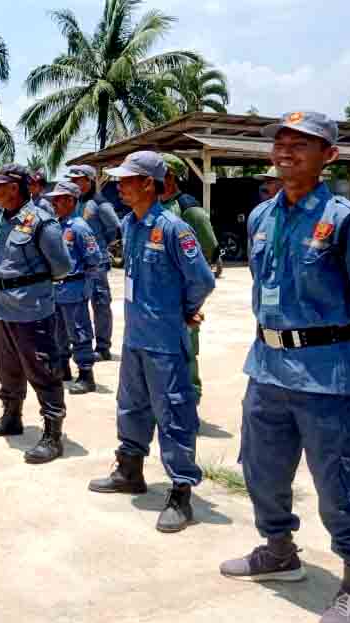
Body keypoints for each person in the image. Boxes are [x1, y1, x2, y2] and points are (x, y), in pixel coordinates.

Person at [217, 111, 350, 623]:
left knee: (340, 481)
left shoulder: (348, 220)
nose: (285, 151)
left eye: (301, 145)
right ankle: (278, 551)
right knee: (261, 467)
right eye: (280, 143)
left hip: (325, 370)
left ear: (328, 157)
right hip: (266, 366)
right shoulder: (262, 217)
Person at [87, 151, 215, 533]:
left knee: (174, 414)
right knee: (131, 406)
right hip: (136, 337)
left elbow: (202, 280)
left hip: (165, 340)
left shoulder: (175, 229)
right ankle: (130, 469)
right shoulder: (129, 224)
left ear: (149, 184)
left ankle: (180, 492)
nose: (119, 185)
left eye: (128, 179)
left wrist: (183, 310)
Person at [0, 165, 72, 463]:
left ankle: (52, 435)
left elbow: (62, 266)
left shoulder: (41, 221)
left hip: (31, 307)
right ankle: (11, 416)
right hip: (2, 306)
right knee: (8, 368)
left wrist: (33, 285)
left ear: (14, 188)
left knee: (43, 370)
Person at [161, 154, 219, 406]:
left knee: (186, 350)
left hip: (182, 293)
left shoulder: (189, 209)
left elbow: (208, 248)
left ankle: (190, 400)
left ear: (171, 177)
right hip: (158, 294)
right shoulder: (153, 207)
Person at [46, 181, 101, 394]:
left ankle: (86, 374)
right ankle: (63, 368)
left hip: (74, 288)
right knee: (58, 332)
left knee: (79, 332)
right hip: (56, 290)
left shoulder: (79, 227)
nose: (54, 204)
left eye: (58, 199)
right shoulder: (58, 224)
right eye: (53, 200)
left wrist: (82, 281)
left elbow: (94, 258)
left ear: (70, 200)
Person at [67, 164, 120, 362]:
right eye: (72, 180)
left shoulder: (100, 203)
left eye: (78, 180)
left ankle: (103, 347)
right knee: (78, 303)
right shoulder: (77, 202)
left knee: (100, 303)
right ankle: (81, 343)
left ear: (89, 181)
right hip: (78, 263)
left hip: (96, 262)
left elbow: (115, 228)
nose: (74, 183)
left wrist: (102, 245)